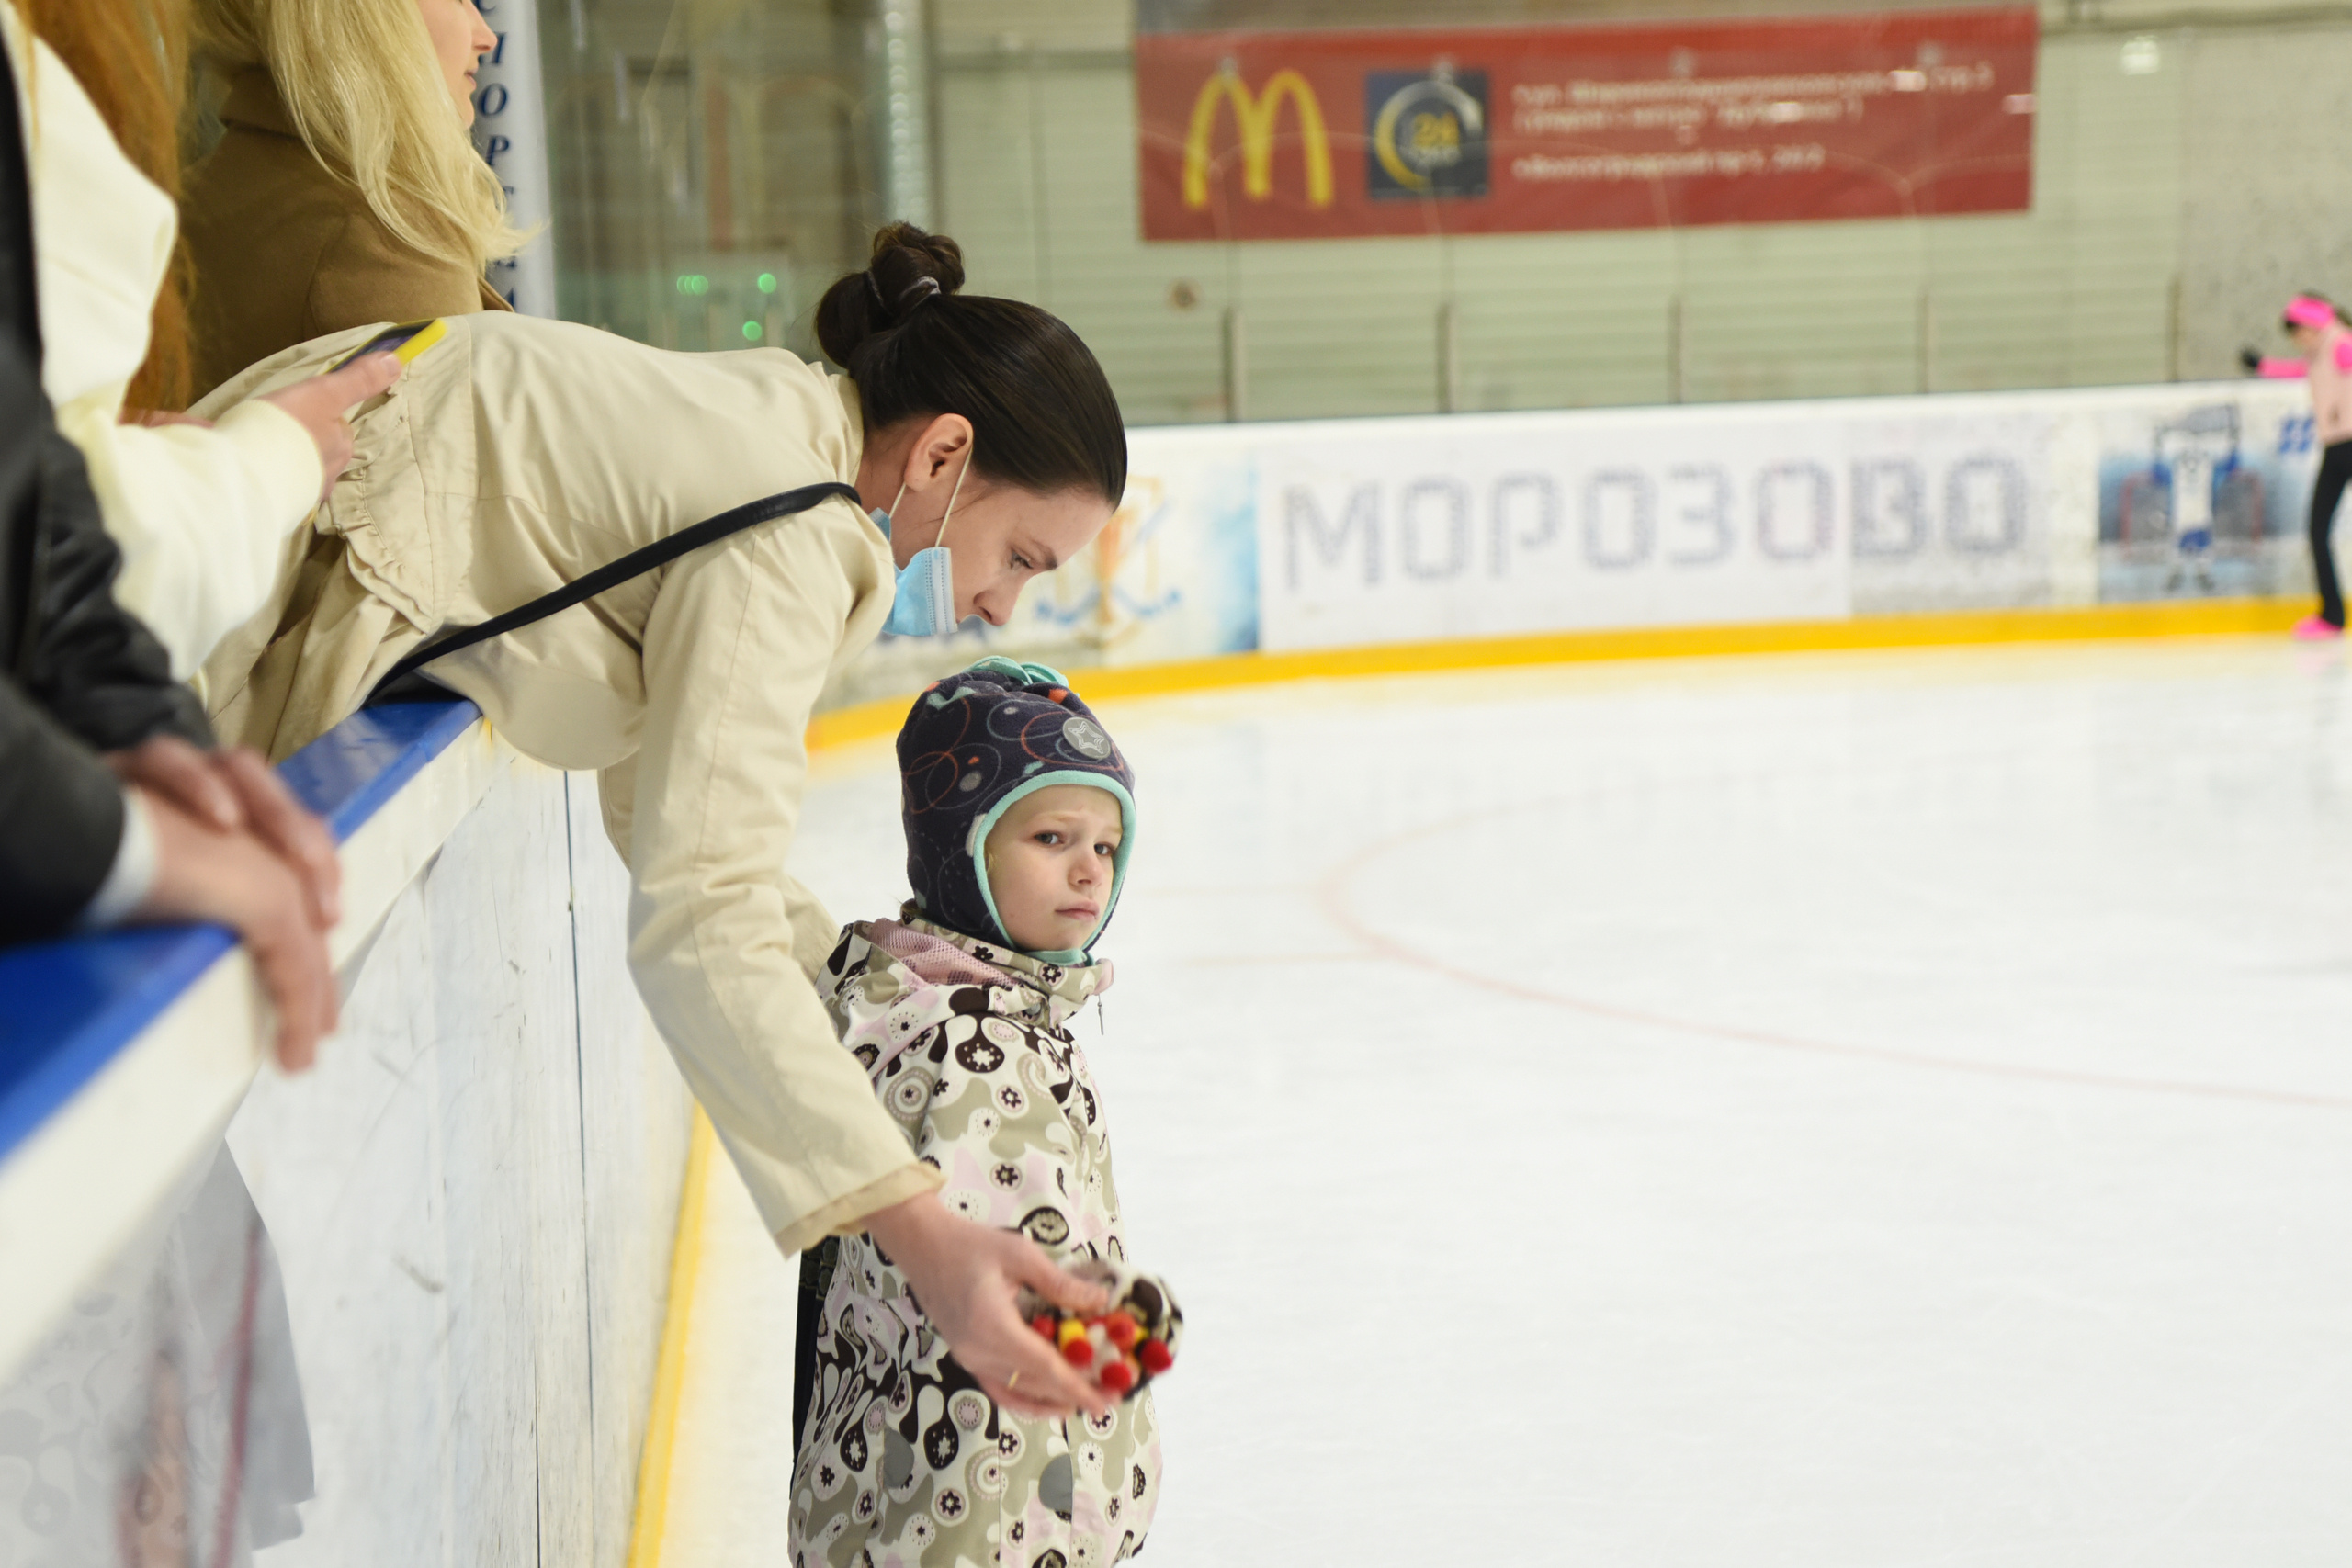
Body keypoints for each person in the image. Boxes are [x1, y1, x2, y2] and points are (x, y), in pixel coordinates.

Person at [193, 223, 1134, 1416]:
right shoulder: (798, 523)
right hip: (281, 561)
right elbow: (701, 905)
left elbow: (660, 805)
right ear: (946, 452)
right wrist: (923, 1236)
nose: (1002, 599)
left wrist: (860, 985)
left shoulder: (784, 434)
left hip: (287, 495)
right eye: (1022, 555)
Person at [791, 659, 1177, 1566]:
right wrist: (1116, 1322)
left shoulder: (920, 1003)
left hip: (903, 1494)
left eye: (1105, 847)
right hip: (984, 1512)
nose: (1089, 868)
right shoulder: (974, 1046)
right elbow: (1013, 1294)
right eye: (1051, 837)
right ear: (963, 851)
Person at [4, 0, 404, 679]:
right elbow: (49, 561)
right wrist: (272, 460)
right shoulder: (382, 241)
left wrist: (86, 443)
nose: (485, 32)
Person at [182, 0, 521, 402]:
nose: (485, 36)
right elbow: (450, 457)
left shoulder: (193, 194)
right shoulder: (387, 231)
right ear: (363, 13)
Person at [2241, 291, 2352, 639]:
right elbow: (2295, 370)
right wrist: (2262, 366)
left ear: (2313, 324)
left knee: (2318, 530)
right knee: (2317, 530)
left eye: (2298, 333)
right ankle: (2332, 616)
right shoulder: (2317, 353)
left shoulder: (2340, 345)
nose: (2298, 342)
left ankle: (2332, 615)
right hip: (2335, 448)